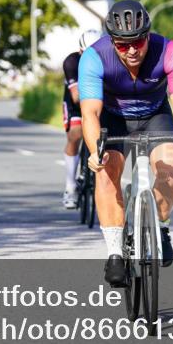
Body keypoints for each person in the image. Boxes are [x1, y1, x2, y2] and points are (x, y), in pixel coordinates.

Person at [78, 0, 173, 286]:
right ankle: (115, 253)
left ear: (148, 35)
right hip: (113, 118)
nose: (132, 50)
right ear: (112, 41)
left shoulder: (170, 52)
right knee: (106, 173)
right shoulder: (94, 57)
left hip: (156, 115)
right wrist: (96, 151)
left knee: (170, 170)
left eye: (138, 42)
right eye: (123, 45)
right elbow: (90, 113)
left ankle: (161, 226)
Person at [61, 29, 103, 209]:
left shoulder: (108, 59)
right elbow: (77, 96)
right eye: (87, 54)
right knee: (76, 134)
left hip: (100, 101)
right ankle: (70, 186)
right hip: (76, 103)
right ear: (80, 52)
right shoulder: (71, 62)